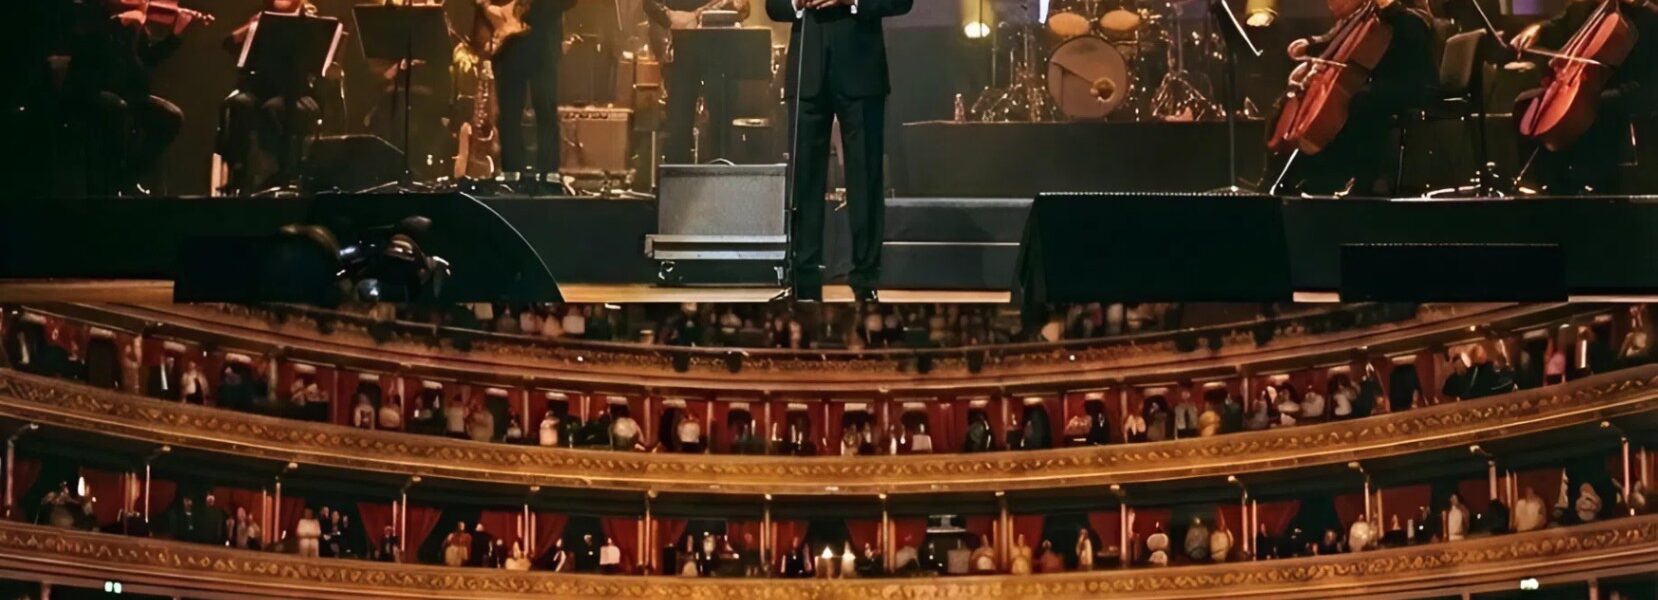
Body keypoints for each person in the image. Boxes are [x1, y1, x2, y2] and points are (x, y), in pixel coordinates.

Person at [767, 0, 913, 303]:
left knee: (865, 177)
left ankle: (865, 281)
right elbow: (774, 6)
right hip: (808, 70)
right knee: (804, 180)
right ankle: (803, 281)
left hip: (860, 69)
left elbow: (901, 2)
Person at [1274, 0, 1436, 195]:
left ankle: (1362, 180)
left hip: (1413, 85)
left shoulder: (1413, 16)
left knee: (1363, 101)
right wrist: (1311, 46)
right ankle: (1303, 174)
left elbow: (1412, 33)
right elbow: (1339, 37)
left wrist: (1389, 7)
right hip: (1381, 83)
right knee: (1358, 97)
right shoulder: (1373, 12)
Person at [1511, 0, 1658, 194]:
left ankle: (1599, 185)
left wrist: (1643, 6)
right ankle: (1541, 184)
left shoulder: (1646, 14)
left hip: (1636, 87)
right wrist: (1538, 29)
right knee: (1525, 102)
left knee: (1599, 107)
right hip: (1588, 85)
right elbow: (1561, 24)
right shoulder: (1592, 6)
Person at [217, 0, 326, 194]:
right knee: (238, 104)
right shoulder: (264, 17)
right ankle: (239, 171)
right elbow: (228, 43)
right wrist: (252, 27)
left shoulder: (309, 20)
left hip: (295, 90)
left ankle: (279, 172)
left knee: (275, 109)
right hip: (261, 88)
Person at [646, 0, 754, 164]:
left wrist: (697, 16)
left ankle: (721, 170)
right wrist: (669, 16)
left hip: (720, 47)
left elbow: (741, 6)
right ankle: (678, 171)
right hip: (681, 46)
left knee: (721, 117)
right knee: (679, 120)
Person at [485, 0, 577, 184]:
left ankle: (548, 171)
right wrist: (492, 10)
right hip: (509, 45)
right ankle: (511, 171)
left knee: (545, 108)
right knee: (509, 111)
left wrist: (532, 9)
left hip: (543, 41)